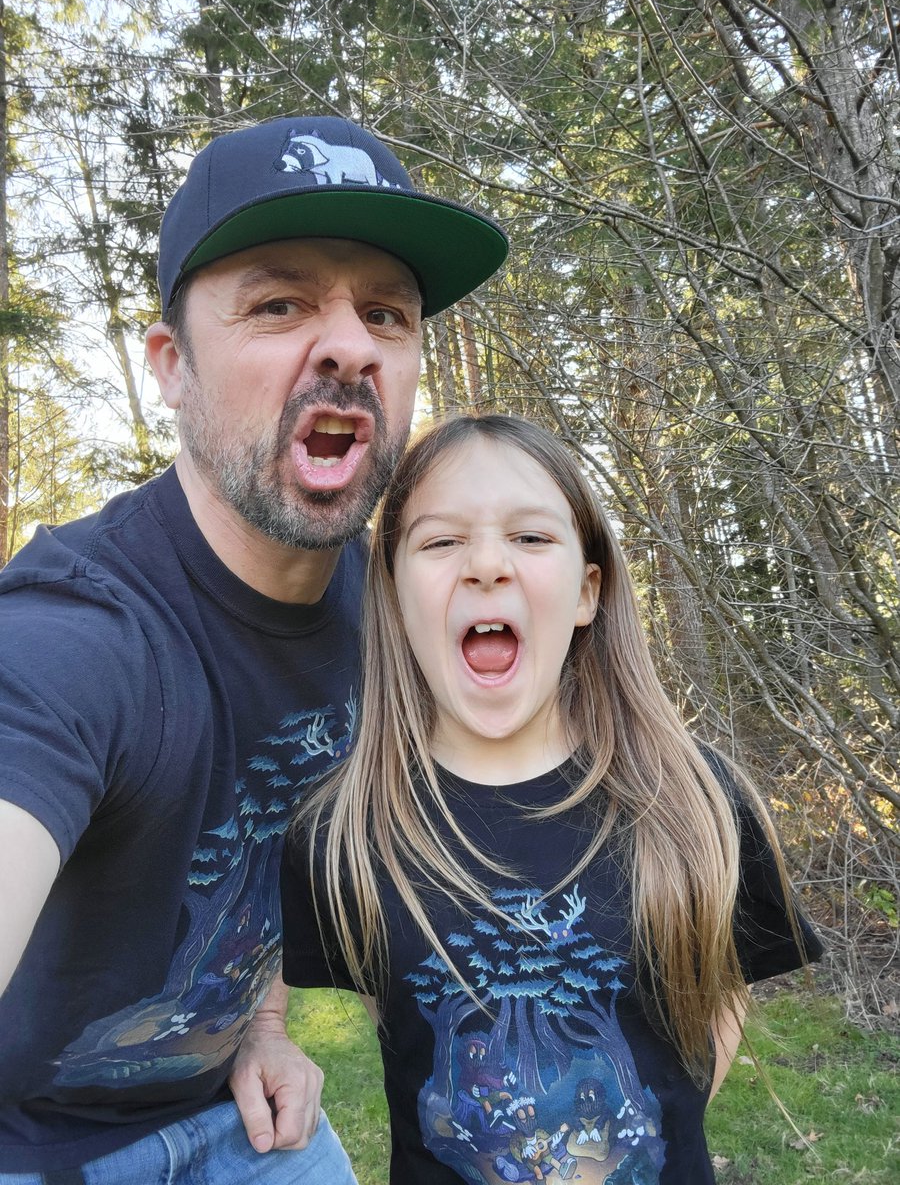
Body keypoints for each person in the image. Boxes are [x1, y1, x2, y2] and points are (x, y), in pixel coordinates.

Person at [0, 116, 508, 1182]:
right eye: (280, 304)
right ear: (171, 366)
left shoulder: (394, 608)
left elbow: (259, 842)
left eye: (386, 313)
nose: (350, 344)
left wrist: (266, 1023)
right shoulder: (73, 637)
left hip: (248, 1127)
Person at [281, 413, 824, 1185]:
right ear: (395, 596)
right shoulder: (340, 832)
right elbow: (399, 1019)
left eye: (531, 538)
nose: (487, 565)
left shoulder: (698, 801)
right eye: (440, 542)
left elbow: (719, 1000)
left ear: (586, 591)